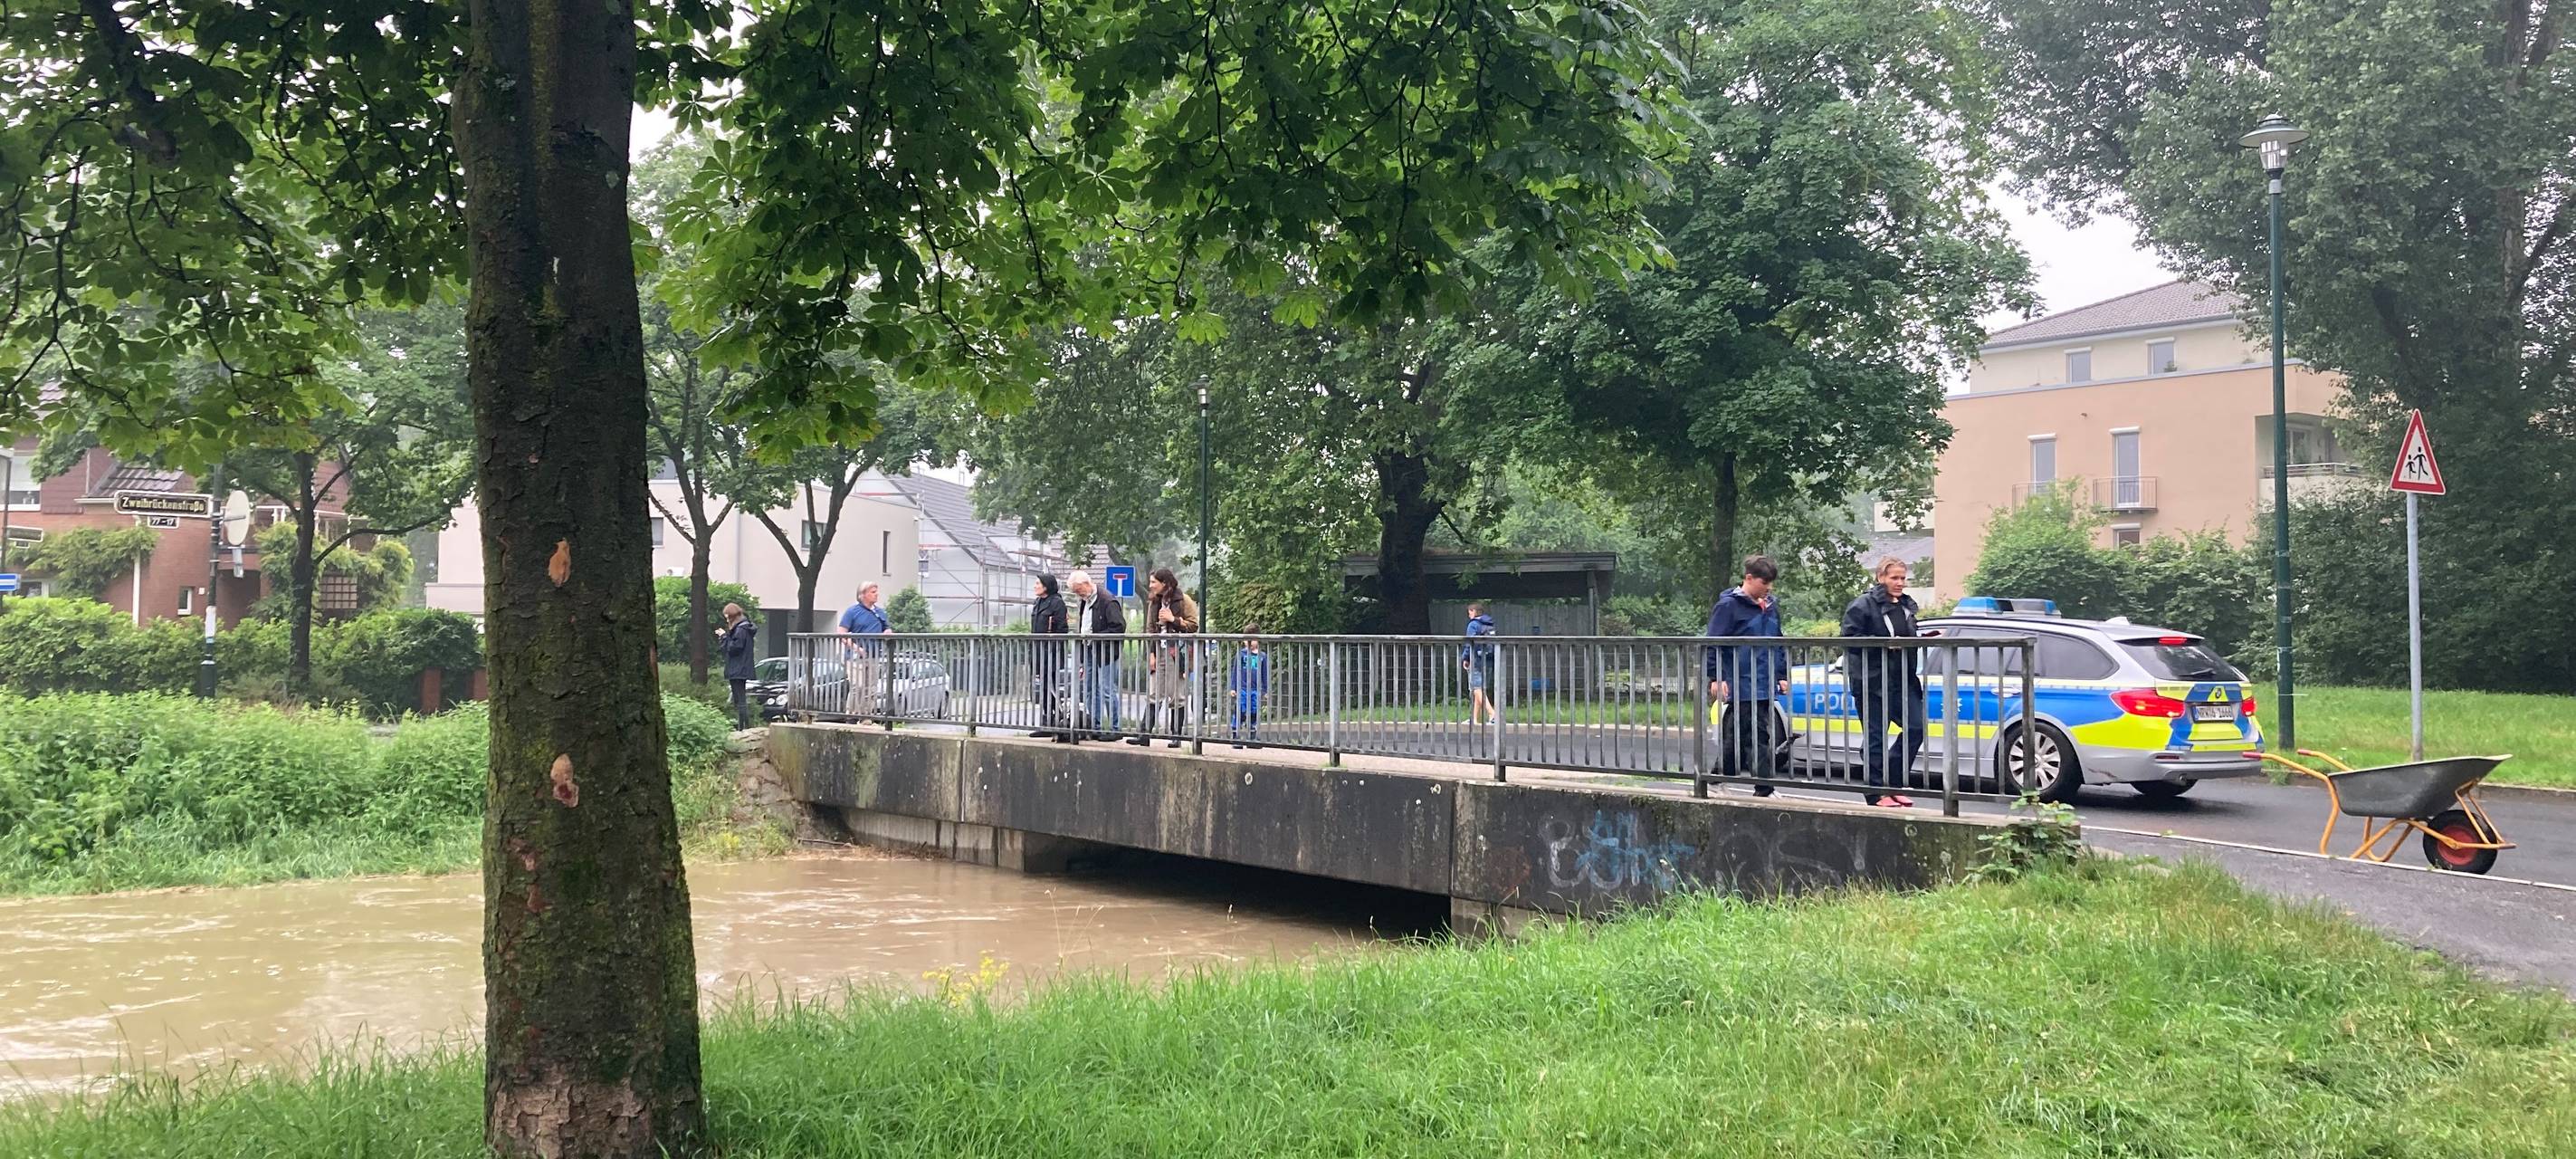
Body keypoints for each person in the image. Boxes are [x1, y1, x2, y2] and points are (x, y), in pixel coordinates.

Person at [1842, 557, 1933, 809]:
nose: (1900, 583)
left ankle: (1892, 783)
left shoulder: (1906, 606)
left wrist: (1922, 638)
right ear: (1881, 577)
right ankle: (1876, 793)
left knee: (1915, 728)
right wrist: (1883, 644)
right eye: (1895, 577)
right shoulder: (1862, 605)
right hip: (1872, 681)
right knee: (1876, 736)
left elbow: (1907, 635)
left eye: (1903, 578)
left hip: (1902, 679)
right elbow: (1850, 639)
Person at [1706, 556, 1789, 798]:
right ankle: (1761, 787)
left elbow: (1778, 642)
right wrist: (1716, 676)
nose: (1769, 588)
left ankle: (1721, 779)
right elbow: (1713, 643)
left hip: (1762, 680)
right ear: (1749, 578)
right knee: (1751, 734)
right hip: (1740, 679)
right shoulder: (1729, 606)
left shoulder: (1771, 607)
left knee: (1750, 733)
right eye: (1765, 582)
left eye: (1771, 583)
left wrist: (1781, 673)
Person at [1129, 568, 1199, 748]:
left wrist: (1173, 619)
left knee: (1178, 695)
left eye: (1154, 582)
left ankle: (1176, 736)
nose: (1151, 585)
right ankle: (1144, 734)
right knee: (1153, 693)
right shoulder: (1154, 602)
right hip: (1159, 652)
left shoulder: (1184, 600)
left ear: (1165, 583)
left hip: (1178, 653)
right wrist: (1151, 653)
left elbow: (1193, 626)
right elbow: (1151, 630)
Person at [1065, 570, 1127, 741]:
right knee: (1090, 688)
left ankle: (1115, 728)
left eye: (1078, 590)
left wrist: (1097, 636)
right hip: (1090, 649)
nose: (1078, 594)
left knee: (1108, 689)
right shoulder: (1086, 601)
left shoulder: (1107, 600)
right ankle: (1095, 726)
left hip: (1106, 651)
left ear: (1086, 584)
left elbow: (1119, 626)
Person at [836, 581, 891, 716]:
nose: (876, 594)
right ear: (863, 595)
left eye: (876, 591)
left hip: (874, 655)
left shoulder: (880, 612)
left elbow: (887, 628)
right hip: (855, 656)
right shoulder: (852, 612)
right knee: (858, 686)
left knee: (871, 688)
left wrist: (888, 632)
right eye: (873, 592)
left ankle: (867, 715)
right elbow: (841, 633)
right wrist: (856, 648)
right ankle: (852, 714)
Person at [1028, 573, 1071, 742]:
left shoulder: (1057, 603)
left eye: (1038, 583)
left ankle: (1057, 719)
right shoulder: (1038, 602)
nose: (1035, 586)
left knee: (1050, 686)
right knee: (1042, 687)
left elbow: (1062, 629)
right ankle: (1046, 722)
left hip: (1051, 651)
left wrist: (1054, 646)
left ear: (1046, 586)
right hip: (1038, 650)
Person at [718, 602, 758, 730]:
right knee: (740, 699)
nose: (726, 619)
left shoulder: (740, 630)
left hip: (738, 668)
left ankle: (743, 728)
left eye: (727, 617)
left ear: (732, 616)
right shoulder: (745, 628)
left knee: (740, 700)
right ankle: (743, 726)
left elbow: (734, 648)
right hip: (742, 667)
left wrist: (724, 636)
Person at [1229, 629, 1269, 749]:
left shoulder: (1262, 656)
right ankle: (1236, 736)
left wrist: (1265, 690)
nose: (1250, 642)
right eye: (1248, 640)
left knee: (1254, 711)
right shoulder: (1241, 654)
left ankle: (1252, 736)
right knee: (1240, 710)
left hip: (1255, 689)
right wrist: (1233, 687)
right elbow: (1235, 671)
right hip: (1242, 688)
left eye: (1253, 640)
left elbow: (1264, 674)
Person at [1460, 603, 1498, 725]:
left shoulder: (1473, 624)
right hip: (1489, 659)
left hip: (1476, 659)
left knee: (1476, 688)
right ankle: (1474, 719)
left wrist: (1465, 658)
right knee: (1481, 689)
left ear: (1473, 611)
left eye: (1469, 612)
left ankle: (1493, 714)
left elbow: (1469, 642)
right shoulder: (1489, 625)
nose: (1468, 614)